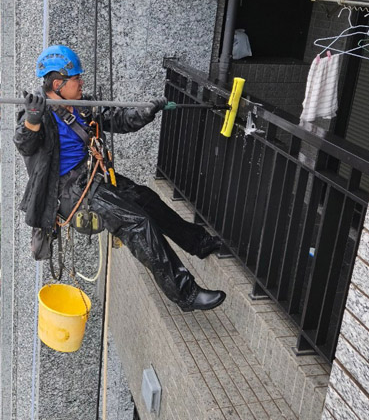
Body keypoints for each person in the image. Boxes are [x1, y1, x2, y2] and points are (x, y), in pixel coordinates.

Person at [14, 45, 226, 312]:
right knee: (138, 224)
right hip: (69, 191)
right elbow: (25, 144)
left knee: (148, 201)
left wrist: (146, 112)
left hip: (91, 176)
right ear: (58, 84)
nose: (82, 82)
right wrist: (32, 120)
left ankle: (200, 242)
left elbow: (117, 118)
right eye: (77, 78)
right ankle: (185, 294)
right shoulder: (39, 114)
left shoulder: (82, 106)